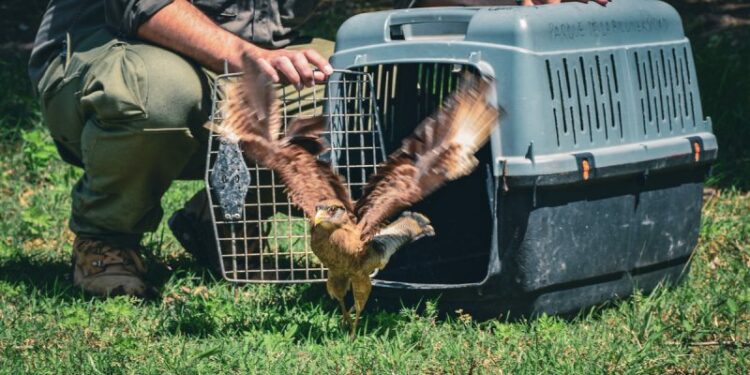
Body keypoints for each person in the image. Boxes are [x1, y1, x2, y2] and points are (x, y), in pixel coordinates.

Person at [29, 0, 608, 298]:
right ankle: (107, 241)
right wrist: (252, 59)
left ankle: (220, 221)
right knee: (161, 96)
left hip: (241, 70)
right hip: (111, 60)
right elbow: (145, 7)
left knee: (362, 81)